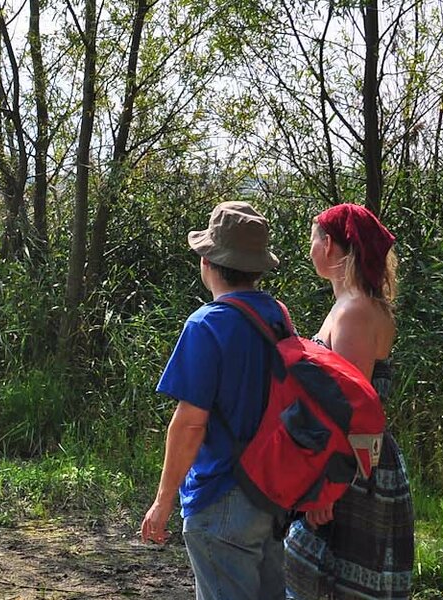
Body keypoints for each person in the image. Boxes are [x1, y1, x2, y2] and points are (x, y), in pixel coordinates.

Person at [141, 201, 290, 599]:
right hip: (272, 495)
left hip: (221, 496)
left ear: (209, 261)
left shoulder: (207, 323)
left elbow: (190, 422)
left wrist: (163, 501)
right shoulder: (278, 317)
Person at [283, 203, 415, 599]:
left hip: (351, 467)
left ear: (330, 245)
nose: (309, 250)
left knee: (331, 582)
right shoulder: (350, 305)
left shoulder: (355, 311)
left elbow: (350, 409)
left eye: (313, 240)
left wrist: (328, 487)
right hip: (350, 461)